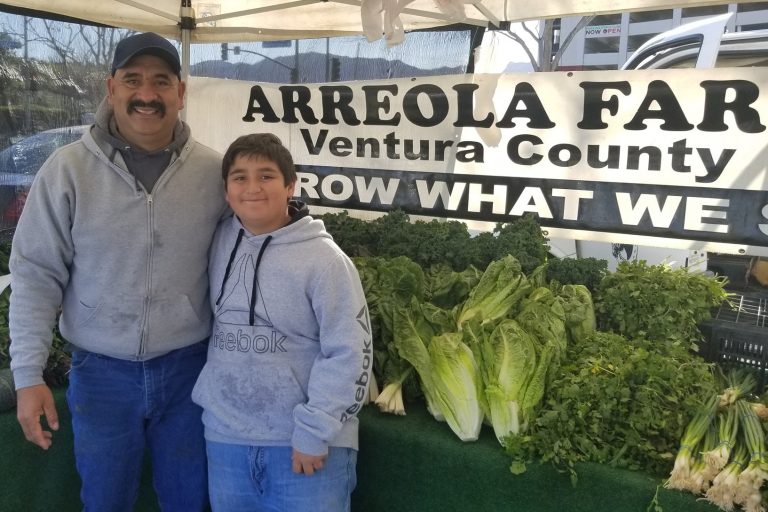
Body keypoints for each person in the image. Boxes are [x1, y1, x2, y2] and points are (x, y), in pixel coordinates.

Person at [9, 32, 227, 511]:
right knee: (106, 502)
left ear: (181, 93)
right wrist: (27, 374)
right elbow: (34, 273)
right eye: (133, 80)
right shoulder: (66, 171)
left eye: (161, 81)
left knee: (189, 501)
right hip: (100, 377)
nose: (146, 94)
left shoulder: (215, 174)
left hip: (191, 372)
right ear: (111, 88)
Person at [191, 133, 372, 511]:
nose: (252, 187)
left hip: (303, 446)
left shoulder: (326, 261)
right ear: (226, 191)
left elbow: (350, 351)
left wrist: (314, 431)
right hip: (226, 440)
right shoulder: (217, 240)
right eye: (240, 177)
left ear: (291, 185)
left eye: (266, 176)